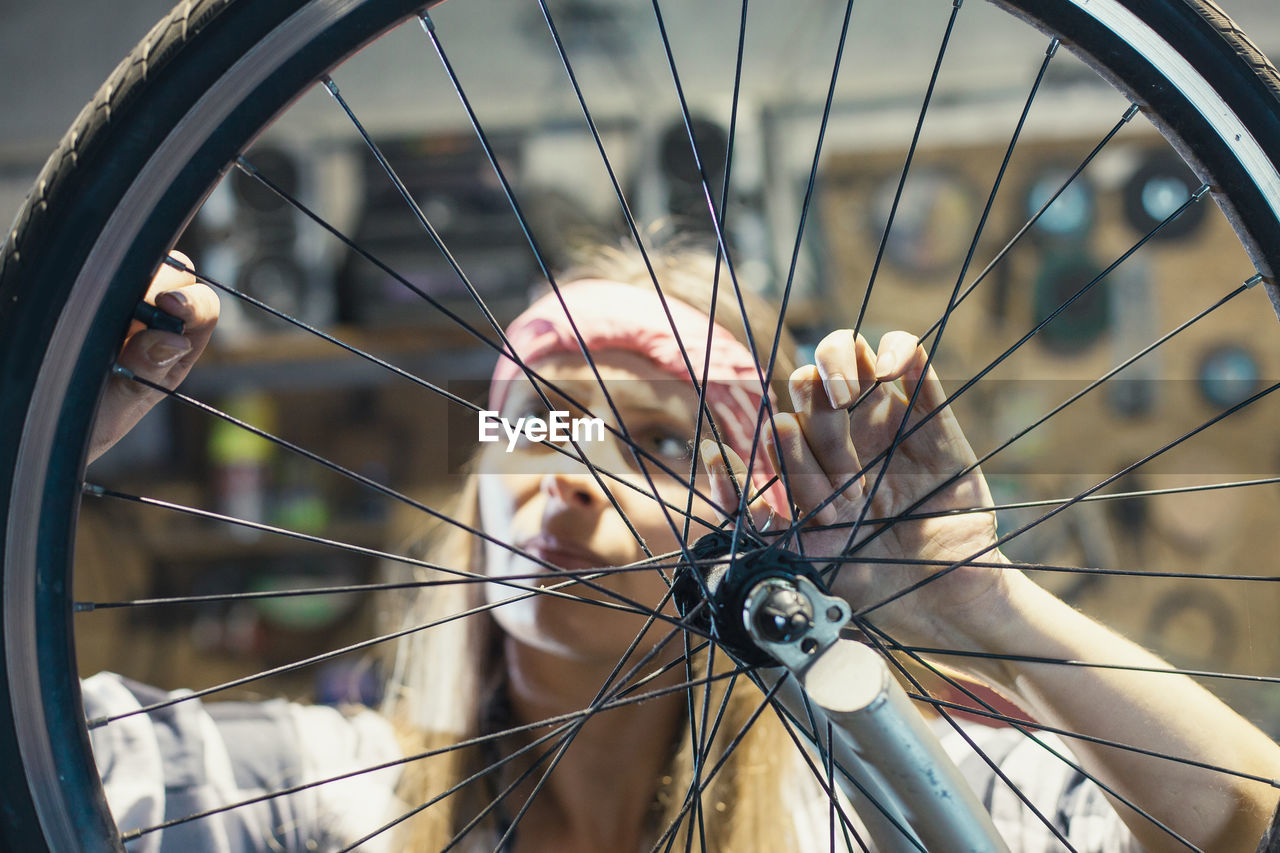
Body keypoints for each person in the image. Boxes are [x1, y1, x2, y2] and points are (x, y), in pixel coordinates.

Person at [83, 246, 1280, 852]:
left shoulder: (873, 811)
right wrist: (34, 427)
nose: (565, 477)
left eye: (649, 443)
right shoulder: (313, 800)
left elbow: (1242, 827)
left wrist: (982, 606)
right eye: (537, 423)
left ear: (749, 526)